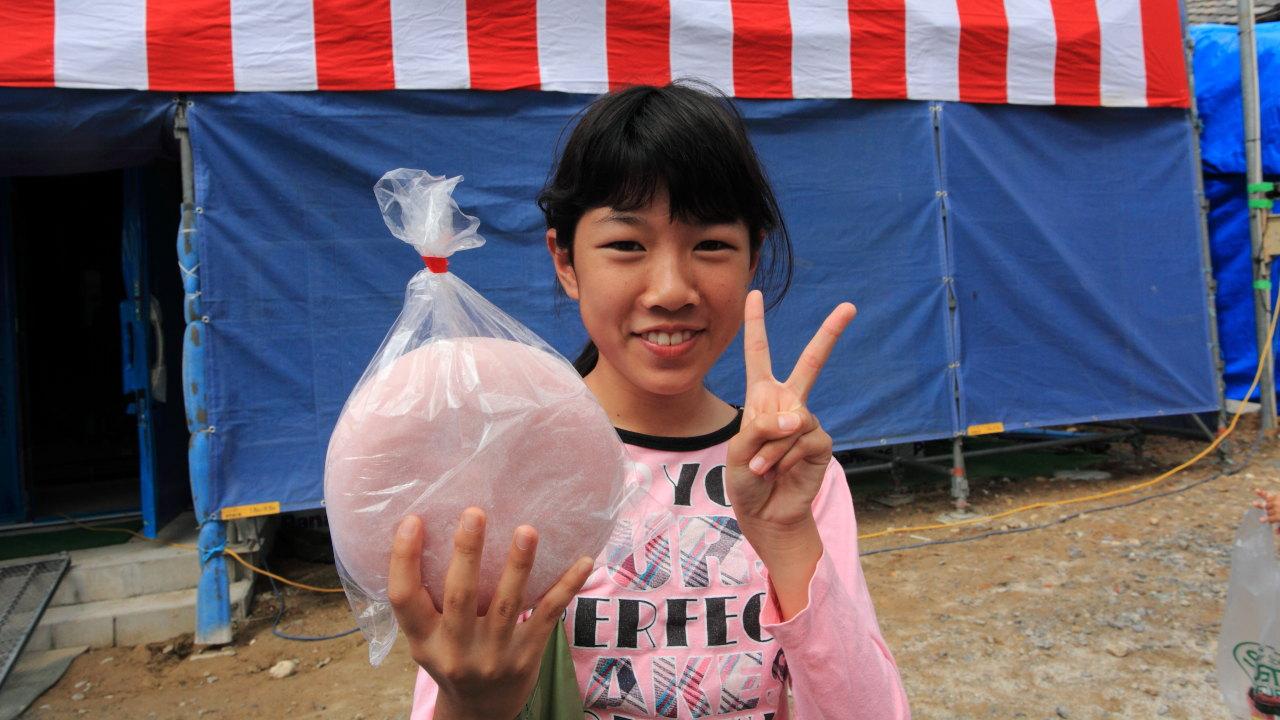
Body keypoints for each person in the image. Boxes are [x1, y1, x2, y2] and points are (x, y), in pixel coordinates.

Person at [389, 83, 910, 720]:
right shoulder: (511, 468)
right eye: (627, 245)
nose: (670, 290)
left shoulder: (793, 477)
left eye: (711, 244)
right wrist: (473, 704)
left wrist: (787, 537)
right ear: (565, 260)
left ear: (752, 258)